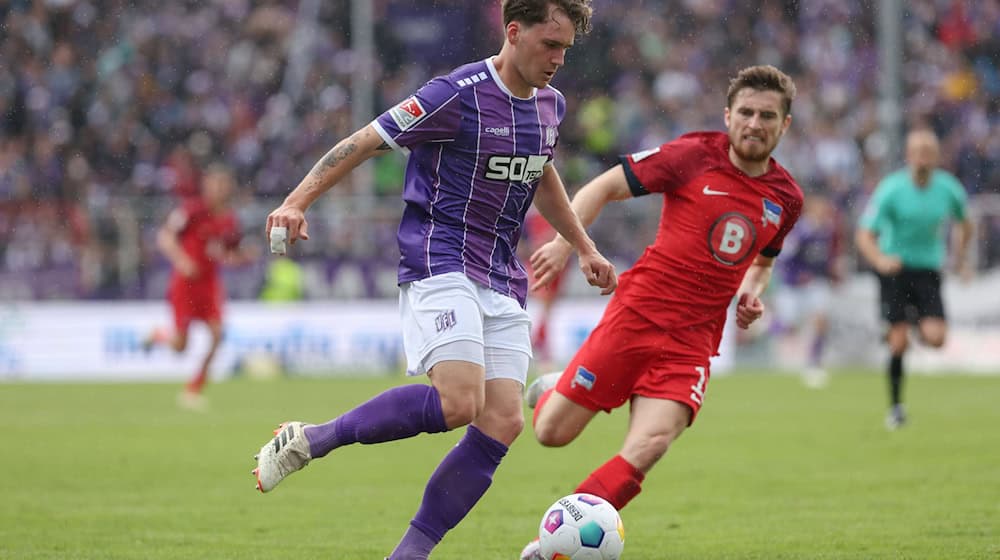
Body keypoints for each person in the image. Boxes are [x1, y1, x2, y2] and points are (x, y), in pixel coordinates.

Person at [250, 2, 617, 560]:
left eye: (566, 48)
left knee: (502, 421)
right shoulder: (457, 93)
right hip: (440, 257)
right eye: (550, 44)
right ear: (513, 32)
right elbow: (369, 138)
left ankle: (408, 554)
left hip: (501, 271)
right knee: (459, 403)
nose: (558, 59)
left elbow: (541, 169)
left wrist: (583, 247)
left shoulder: (551, 104)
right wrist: (296, 202)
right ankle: (312, 440)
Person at [518, 65, 803, 559]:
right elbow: (604, 185)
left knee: (649, 446)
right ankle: (555, 388)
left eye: (767, 115)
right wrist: (570, 246)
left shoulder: (787, 199)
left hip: (692, 342)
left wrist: (753, 290)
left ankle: (553, 549)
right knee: (551, 433)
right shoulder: (692, 156)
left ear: (785, 125)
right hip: (637, 315)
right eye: (747, 113)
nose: (755, 124)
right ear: (728, 116)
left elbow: (763, 260)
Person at [855, 128, 973, 430]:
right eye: (917, 152)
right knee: (898, 344)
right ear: (908, 156)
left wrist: (960, 259)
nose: (922, 158)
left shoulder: (949, 189)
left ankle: (912, 322)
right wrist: (880, 259)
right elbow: (865, 234)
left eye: (928, 152)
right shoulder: (891, 189)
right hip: (895, 270)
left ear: (936, 157)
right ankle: (895, 407)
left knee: (937, 339)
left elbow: (965, 222)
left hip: (927, 271)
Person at [143, 163, 255, 410]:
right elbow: (165, 237)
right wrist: (182, 260)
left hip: (209, 286)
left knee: (217, 335)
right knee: (181, 347)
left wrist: (245, 257)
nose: (219, 190)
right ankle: (159, 335)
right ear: (206, 186)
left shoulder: (229, 220)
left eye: (223, 186)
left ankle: (193, 389)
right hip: (185, 285)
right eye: (215, 185)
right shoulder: (192, 210)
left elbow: (227, 255)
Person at [772, 192, 843, 388]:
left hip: (815, 284)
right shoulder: (801, 231)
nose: (824, 211)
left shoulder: (828, 231)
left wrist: (832, 273)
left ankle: (814, 364)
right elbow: (784, 258)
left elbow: (825, 258)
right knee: (789, 328)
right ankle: (769, 325)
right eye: (820, 207)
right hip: (792, 286)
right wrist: (798, 275)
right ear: (811, 209)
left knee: (821, 320)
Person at [521, 206, 570, 371]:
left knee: (547, 307)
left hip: (553, 263)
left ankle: (538, 343)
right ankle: (536, 343)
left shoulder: (552, 211)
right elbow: (526, 242)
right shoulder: (531, 215)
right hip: (539, 261)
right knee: (542, 305)